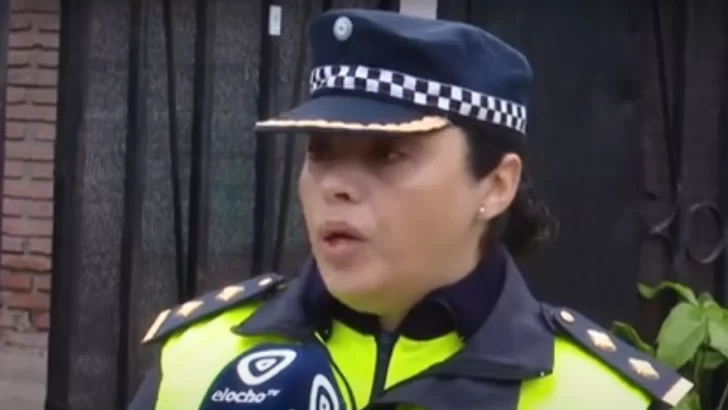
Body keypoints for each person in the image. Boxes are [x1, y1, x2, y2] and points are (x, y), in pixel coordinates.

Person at [128, 8, 693, 410]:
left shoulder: (605, 398)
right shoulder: (199, 360)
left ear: (497, 185)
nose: (336, 185)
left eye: (388, 153)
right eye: (320, 151)